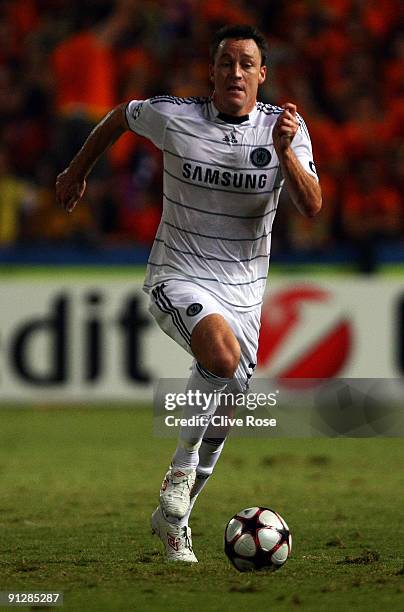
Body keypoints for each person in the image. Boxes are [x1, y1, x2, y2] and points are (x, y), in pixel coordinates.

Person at [56, 24, 321, 563]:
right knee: (218, 358)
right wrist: (76, 170)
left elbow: (312, 205)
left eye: (247, 64)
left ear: (262, 75)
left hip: (245, 294)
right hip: (177, 276)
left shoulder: (284, 129)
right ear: (213, 71)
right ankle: (177, 474)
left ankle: (173, 519)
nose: (236, 73)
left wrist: (286, 153)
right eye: (226, 62)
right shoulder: (176, 115)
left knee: (222, 421)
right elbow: (120, 117)